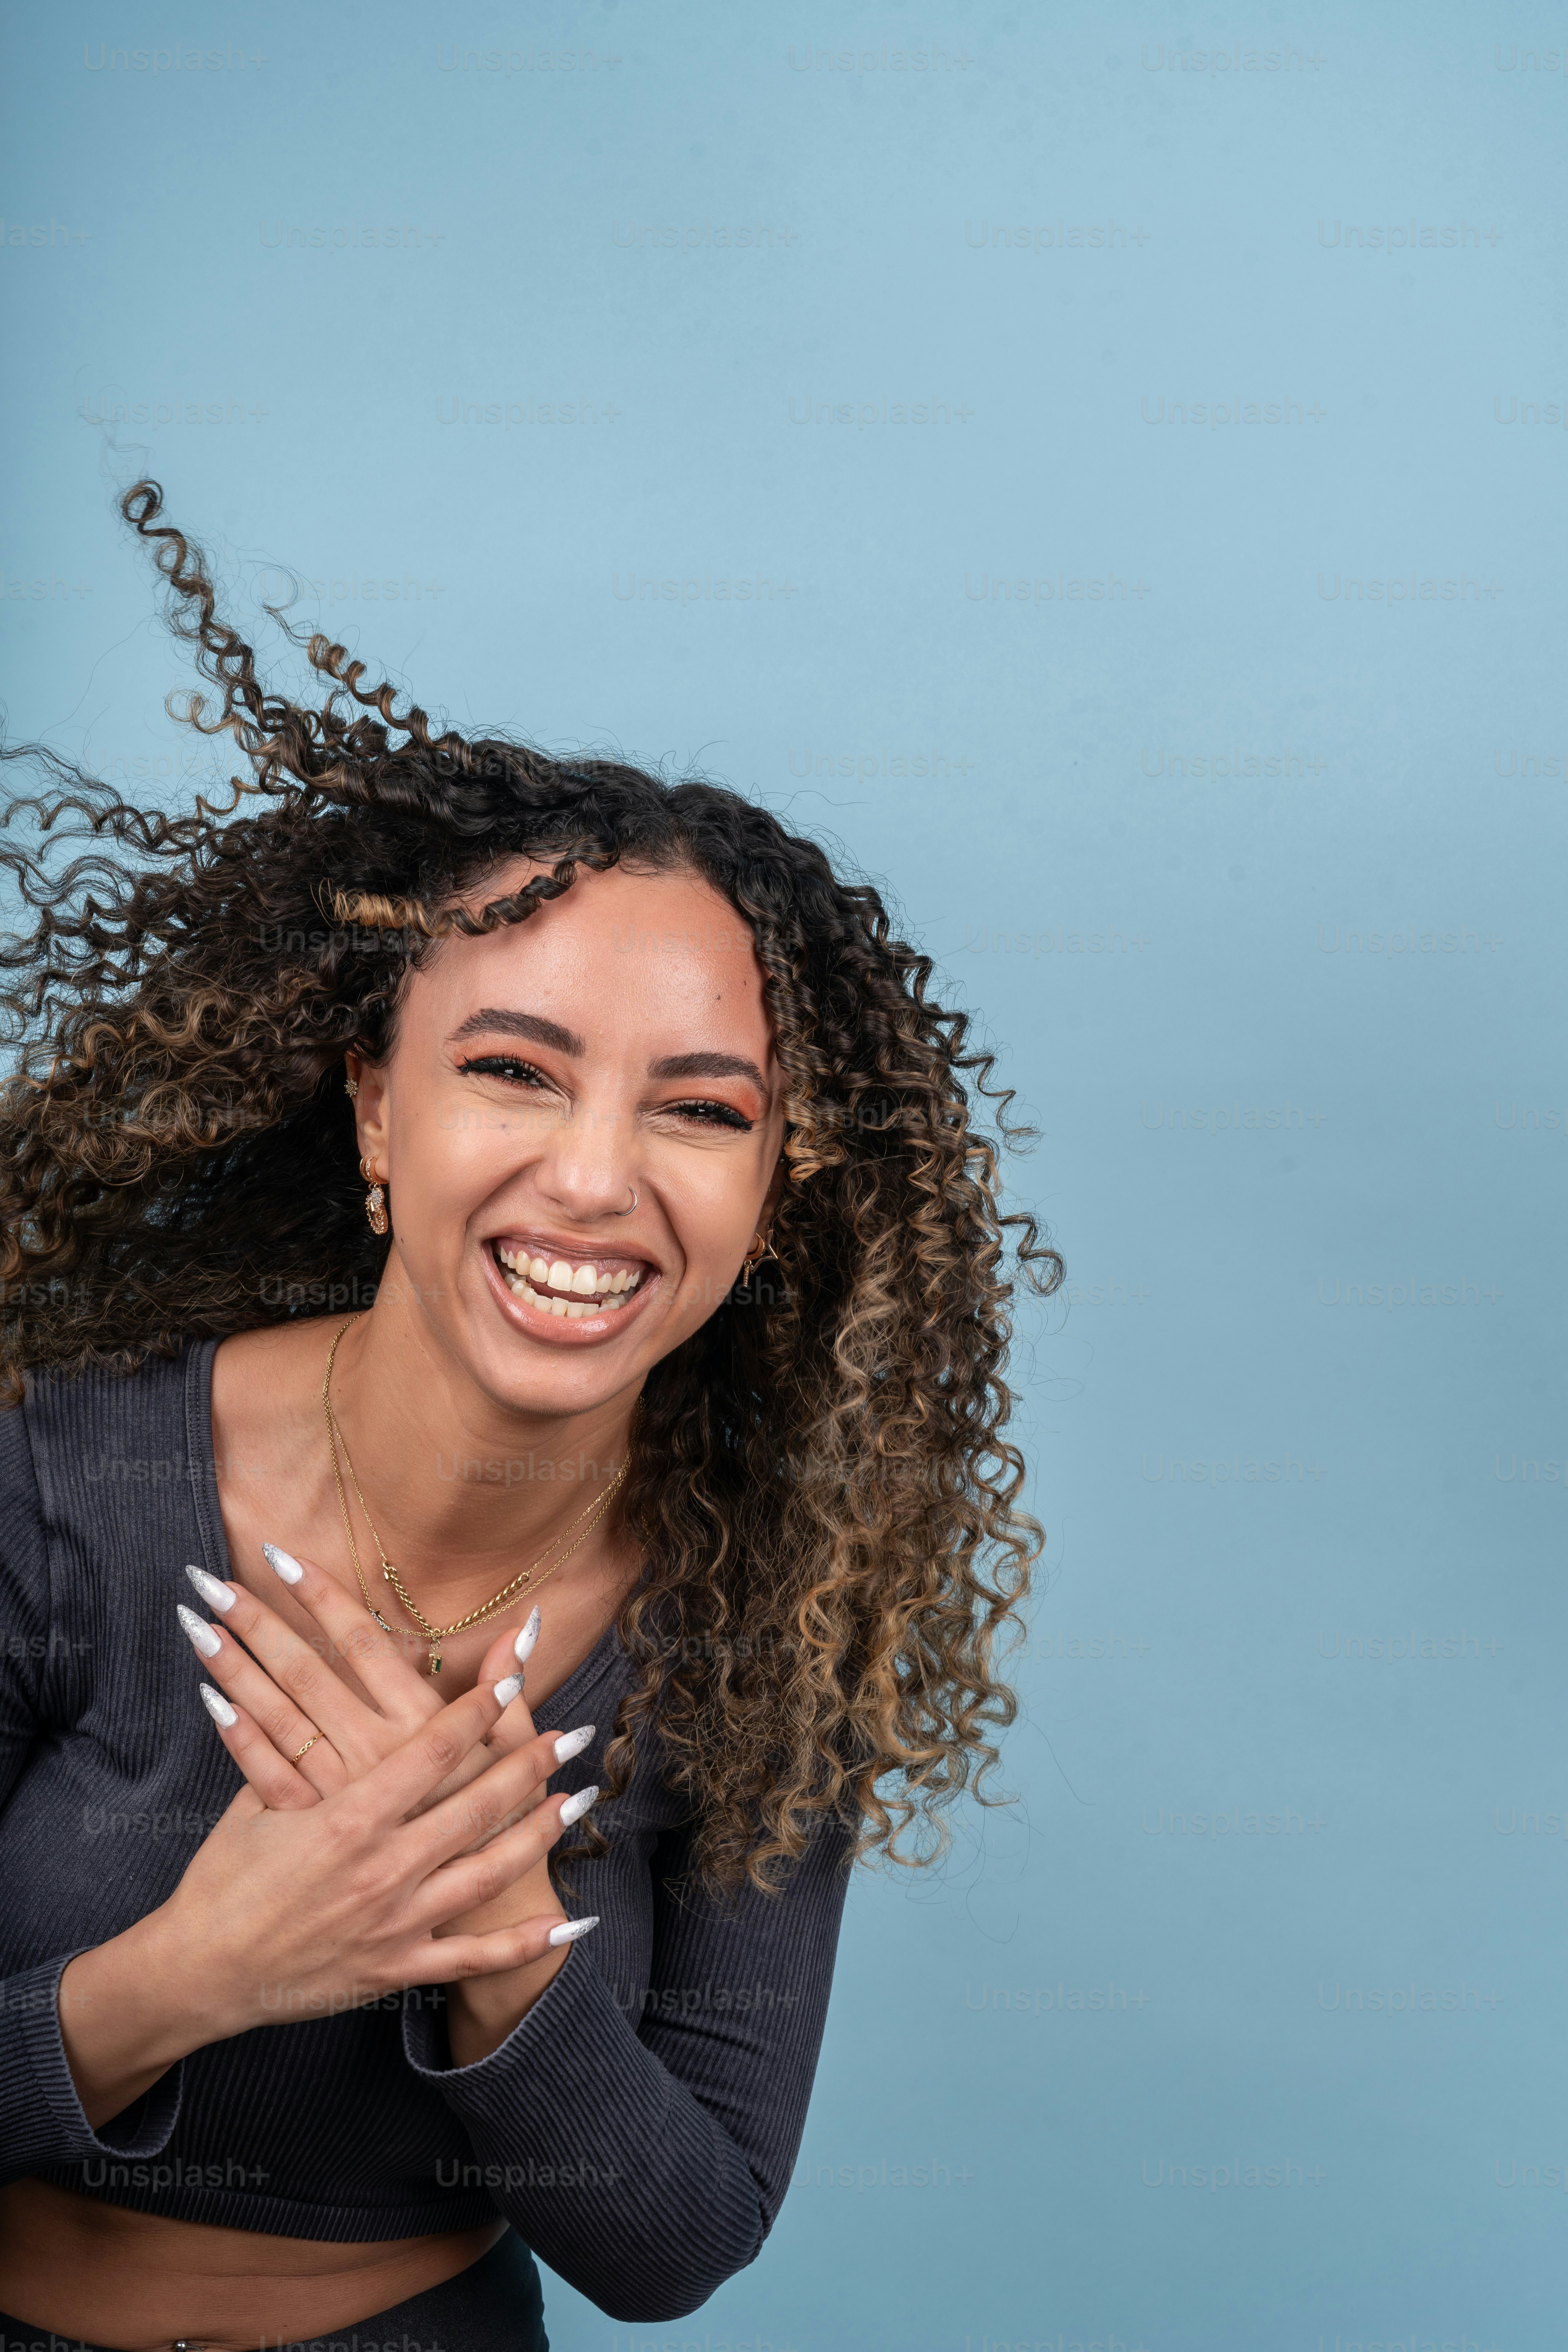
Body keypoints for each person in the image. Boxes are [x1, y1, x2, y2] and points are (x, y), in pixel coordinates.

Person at [0, 480, 1058, 2350]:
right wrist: (210, 1964)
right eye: (514, 1070)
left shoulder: (770, 1610)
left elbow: (678, 2243)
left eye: (702, 1109)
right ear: (371, 1113)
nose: (594, 1180)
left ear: (771, 1190)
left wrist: (496, 1937)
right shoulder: (54, 1471)